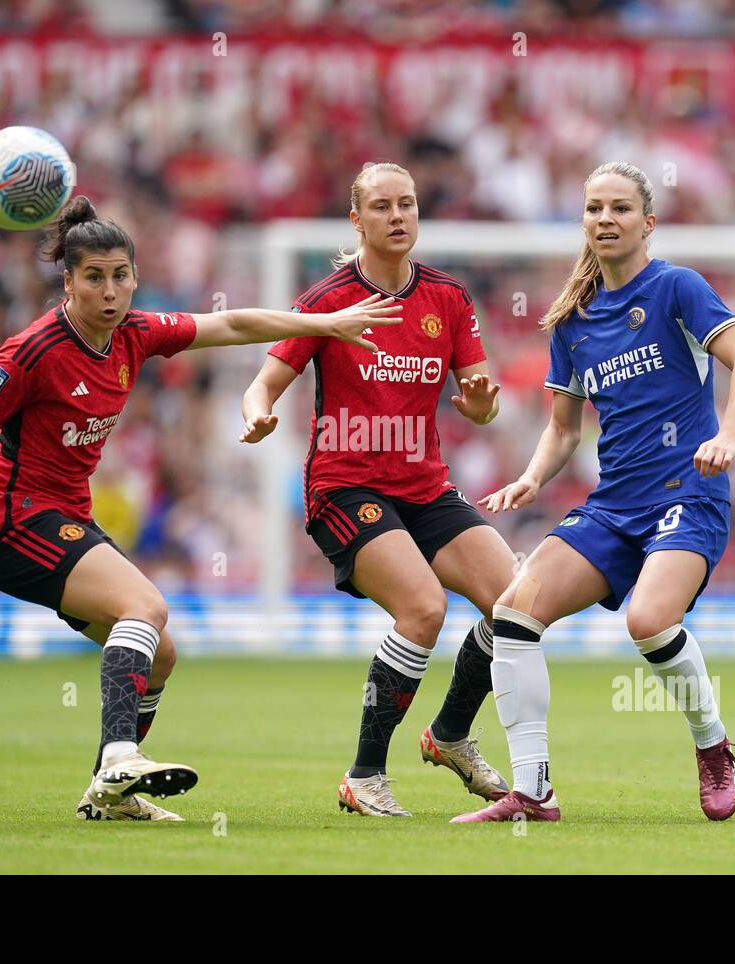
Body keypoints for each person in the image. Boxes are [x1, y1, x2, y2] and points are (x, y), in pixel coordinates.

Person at [0, 196, 401, 822]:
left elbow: (230, 326)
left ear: (134, 277)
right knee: (145, 605)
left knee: (161, 652)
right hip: (9, 524)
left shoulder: (135, 334)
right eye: (94, 277)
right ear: (68, 281)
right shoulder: (31, 352)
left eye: (121, 275)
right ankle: (119, 757)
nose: (110, 291)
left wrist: (323, 324)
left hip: (64, 519)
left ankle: (107, 793)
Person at [452, 162, 735, 824]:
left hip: (689, 491)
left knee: (648, 620)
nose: (605, 219)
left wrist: (730, 436)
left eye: (620, 208)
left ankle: (713, 748)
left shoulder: (677, 287)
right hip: (615, 506)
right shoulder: (573, 320)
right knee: (512, 614)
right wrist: (533, 477)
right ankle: (533, 792)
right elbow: (563, 428)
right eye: (594, 208)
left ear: (647, 222)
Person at [240, 162, 517, 817]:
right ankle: (364, 776)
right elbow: (264, 381)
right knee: (423, 609)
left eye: (408, 205)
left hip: (424, 488)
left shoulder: (446, 298)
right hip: (344, 487)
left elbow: (482, 408)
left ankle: (449, 735)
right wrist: (256, 412)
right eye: (383, 206)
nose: (398, 217)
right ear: (357, 220)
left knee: (517, 604)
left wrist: (479, 404)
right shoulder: (328, 300)